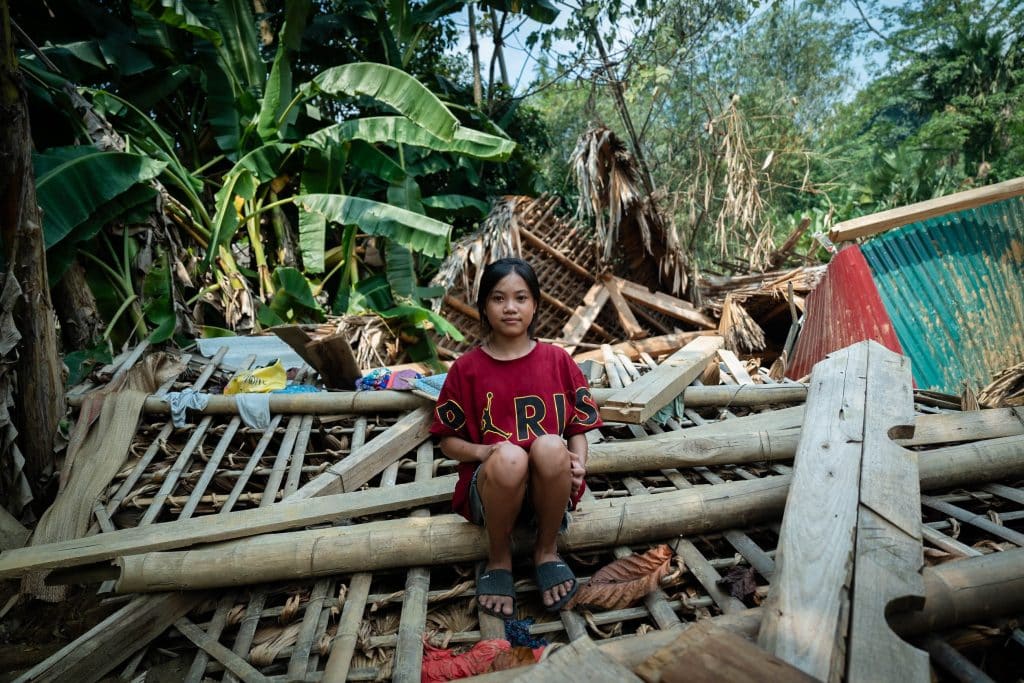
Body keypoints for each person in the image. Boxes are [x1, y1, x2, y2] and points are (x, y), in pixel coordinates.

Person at [430, 257, 603, 618]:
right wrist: (485, 452)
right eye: (498, 298)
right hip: (492, 491)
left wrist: (580, 464)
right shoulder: (466, 369)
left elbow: (577, 430)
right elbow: (447, 440)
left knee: (552, 445)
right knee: (509, 457)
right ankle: (499, 557)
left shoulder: (557, 361)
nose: (510, 308)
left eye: (521, 298)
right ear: (484, 307)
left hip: (550, 493)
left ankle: (547, 550)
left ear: (535, 305)